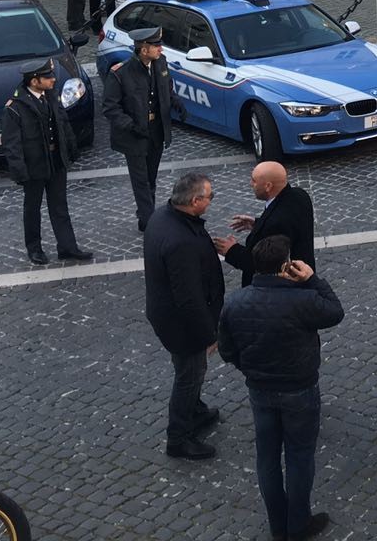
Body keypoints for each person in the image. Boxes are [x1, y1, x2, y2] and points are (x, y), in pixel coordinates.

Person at [218, 236, 341, 541]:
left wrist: (248, 369)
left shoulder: (235, 302)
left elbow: (227, 350)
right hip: (299, 389)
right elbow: (334, 311)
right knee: (299, 457)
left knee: (267, 458)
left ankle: (278, 524)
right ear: (286, 265)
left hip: (260, 389)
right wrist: (313, 279)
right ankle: (298, 525)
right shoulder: (303, 300)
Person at [143, 171, 226, 460]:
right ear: (194, 201)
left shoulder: (163, 218)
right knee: (189, 375)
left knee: (188, 371)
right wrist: (209, 334)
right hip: (182, 326)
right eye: (210, 197)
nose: (211, 201)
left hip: (166, 315)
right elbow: (189, 299)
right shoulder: (180, 242)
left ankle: (195, 410)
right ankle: (178, 437)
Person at [3, 57, 92, 265]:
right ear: (34, 81)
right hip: (34, 165)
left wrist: (71, 149)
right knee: (32, 208)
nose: (53, 80)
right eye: (48, 77)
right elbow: (12, 144)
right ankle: (34, 248)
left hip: (55, 160)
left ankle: (67, 246)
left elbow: (62, 123)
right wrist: (19, 172)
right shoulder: (16, 107)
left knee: (60, 205)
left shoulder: (50, 96)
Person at [105, 26, 178, 230]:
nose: (160, 49)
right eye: (156, 46)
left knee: (151, 177)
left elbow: (166, 88)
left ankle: (145, 218)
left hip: (155, 130)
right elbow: (110, 108)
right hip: (134, 135)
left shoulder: (160, 63)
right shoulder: (121, 74)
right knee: (141, 181)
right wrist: (131, 125)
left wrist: (176, 102)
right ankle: (150, 220)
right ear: (143, 49)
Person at [213, 162, 316, 288]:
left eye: (254, 181)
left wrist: (231, 251)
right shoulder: (300, 195)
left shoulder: (275, 223)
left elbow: (259, 264)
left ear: (268, 186)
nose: (251, 184)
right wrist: (258, 223)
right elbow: (290, 224)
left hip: (283, 288)